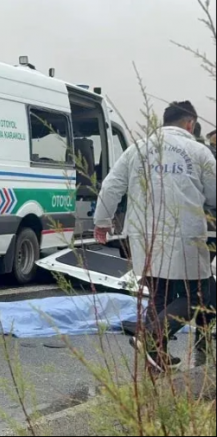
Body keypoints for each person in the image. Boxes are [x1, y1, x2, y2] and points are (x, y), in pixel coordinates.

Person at [93, 101, 217, 372]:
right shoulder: (199, 152)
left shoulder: (136, 150)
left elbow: (112, 185)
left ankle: (155, 357)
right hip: (184, 233)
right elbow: (214, 194)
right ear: (190, 123)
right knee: (198, 296)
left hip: (142, 235)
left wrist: (102, 222)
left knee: (159, 294)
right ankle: (148, 336)